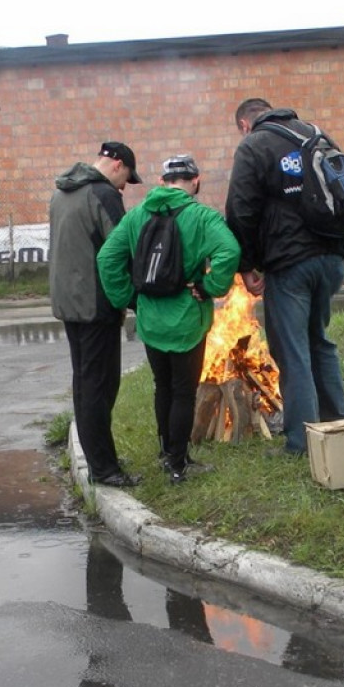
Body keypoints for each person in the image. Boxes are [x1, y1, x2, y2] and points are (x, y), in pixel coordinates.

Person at [97, 154, 240, 485]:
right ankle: (178, 463)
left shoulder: (136, 217)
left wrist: (127, 298)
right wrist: (209, 287)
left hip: (151, 319)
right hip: (187, 319)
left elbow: (107, 258)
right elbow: (230, 250)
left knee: (162, 386)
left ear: (162, 182)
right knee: (183, 391)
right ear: (195, 181)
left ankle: (166, 452)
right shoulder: (202, 217)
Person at [224, 98, 344, 456]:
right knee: (319, 342)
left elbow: (240, 210)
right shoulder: (316, 134)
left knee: (292, 351)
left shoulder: (254, 145)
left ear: (245, 125)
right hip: (331, 257)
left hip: (290, 263)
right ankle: (338, 422)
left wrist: (247, 265)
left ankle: (301, 442)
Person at [49, 141, 143, 488]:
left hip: (70, 302)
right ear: (117, 164)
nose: (124, 188)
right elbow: (122, 248)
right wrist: (140, 294)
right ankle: (105, 469)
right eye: (127, 179)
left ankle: (99, 457)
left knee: (85, 383)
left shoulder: (62, 191)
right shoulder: (102, 193)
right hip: (95, 304)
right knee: (100, 386)